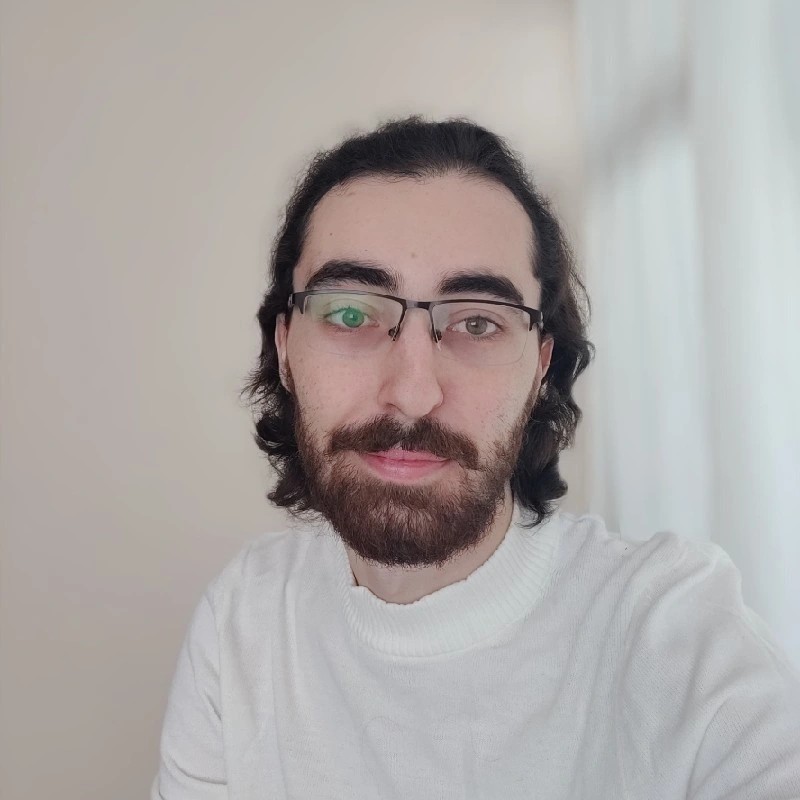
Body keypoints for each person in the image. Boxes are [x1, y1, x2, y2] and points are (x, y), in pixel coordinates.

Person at [151, 117, 800, 799]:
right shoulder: (244, 621)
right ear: (285, 349)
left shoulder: (676, 636)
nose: (413, 392)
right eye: (351, 315)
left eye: (479, 322)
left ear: (540, 367)